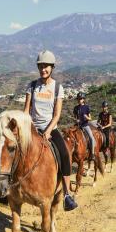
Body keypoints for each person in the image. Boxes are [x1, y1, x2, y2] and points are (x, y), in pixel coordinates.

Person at [24, 50, 77, 211]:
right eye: (40, 66)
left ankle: (67, 194)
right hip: (32, 128)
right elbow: (26, 110)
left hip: (50, 129)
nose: (43, 69)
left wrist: (47, 132)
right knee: (11, 150)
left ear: (52, 67)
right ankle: (8, 190)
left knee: (64, 155)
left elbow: (57, 115)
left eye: (46, 66)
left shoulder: (57, 88)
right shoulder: (32, 86)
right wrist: (24, 127)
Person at [73, 92, 96, 160]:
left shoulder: (86, 107)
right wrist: (76, 120)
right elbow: (75, 118)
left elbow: (90, 118)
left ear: (83, 99)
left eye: (80, 99)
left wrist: (86, 117)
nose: (79, 100)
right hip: (77, 126)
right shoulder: (75, 108)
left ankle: (92, 154)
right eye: (78, 99)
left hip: (85, 125)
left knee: (92, 138)